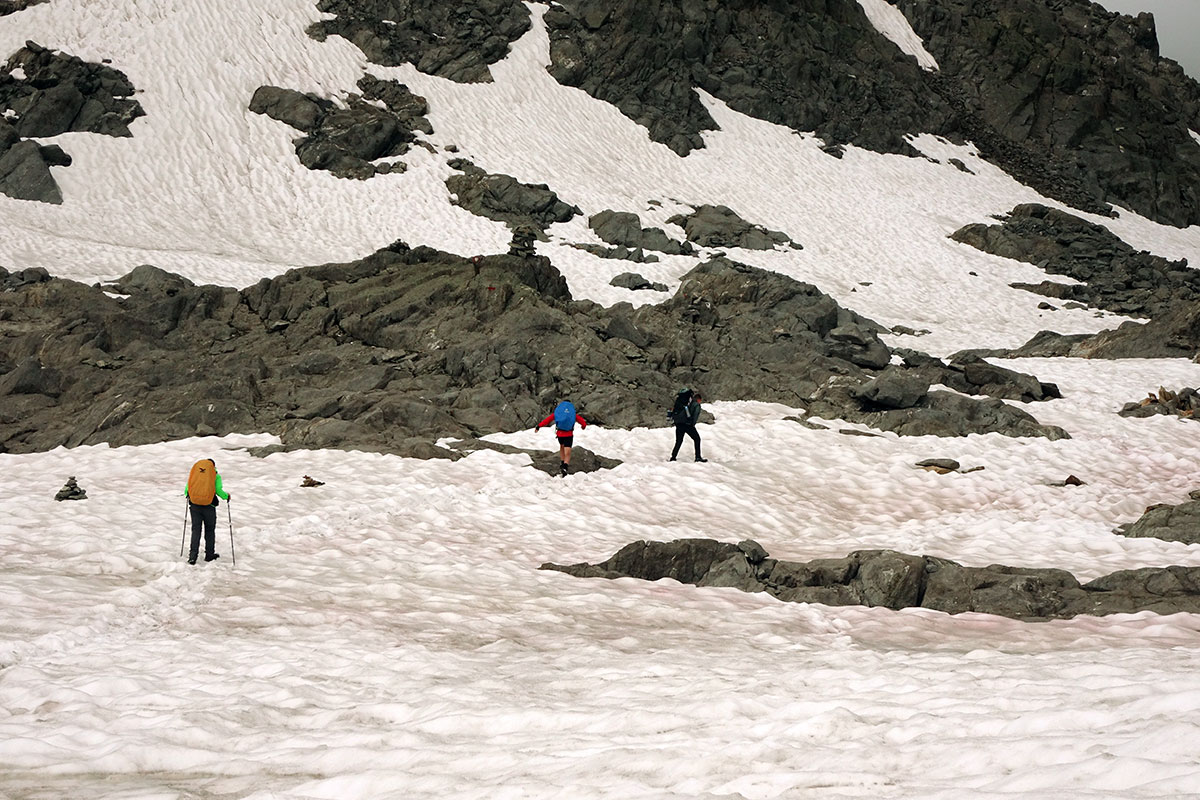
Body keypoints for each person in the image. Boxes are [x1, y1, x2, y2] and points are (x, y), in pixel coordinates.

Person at [185, 458, 230, 565]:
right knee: (209, 530)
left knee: (196, 530)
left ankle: (192, 556)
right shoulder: (215, 475)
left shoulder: (195, 474)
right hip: (209, 506)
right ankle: (209, 554)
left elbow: (187, 489)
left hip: (194, 505)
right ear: (213, 466)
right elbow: (218, 490)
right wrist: (226, 496)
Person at [536, 400, 587, 476]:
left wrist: (539, 426)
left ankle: (562, 462)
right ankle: (565, 466)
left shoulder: (559, 413)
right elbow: (582, 422)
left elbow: (548, 419)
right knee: (568, 451)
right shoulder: (571, 414)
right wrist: (583, 426)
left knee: (562, 446)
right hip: (569, 434)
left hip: (560, 434)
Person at [670, 390, 707, 462]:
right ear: (699, 399)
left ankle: (673, 457)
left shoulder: (686, 403)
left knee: (679, 441)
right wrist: (692, 424)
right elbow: (695, 416)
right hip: (688, 425)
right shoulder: (696, 405)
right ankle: (698, 457)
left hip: (679, 423)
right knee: (697, 439)